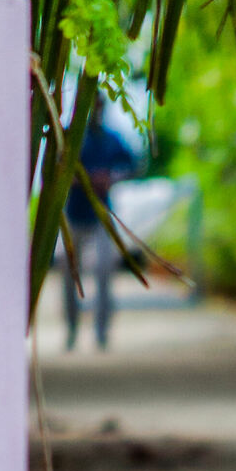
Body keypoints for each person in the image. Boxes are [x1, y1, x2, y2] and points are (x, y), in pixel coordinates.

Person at [61, 94, 137, 350]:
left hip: (102, 215)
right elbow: (57, 166)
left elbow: (133, 165)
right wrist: (76, 179)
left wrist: (111, 177)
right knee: (69, 272)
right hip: (75, 214)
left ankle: (102, 331)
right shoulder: (71, 137)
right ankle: (71, 328)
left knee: (104, 270)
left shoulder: (111, 138)